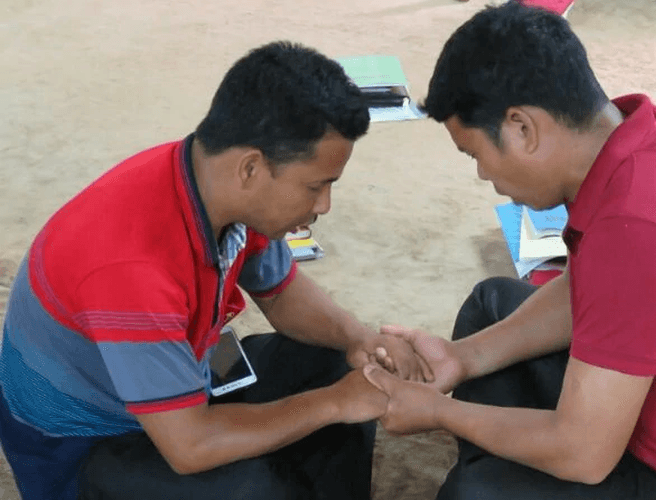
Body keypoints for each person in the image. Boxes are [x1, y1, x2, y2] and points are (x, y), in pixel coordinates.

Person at [363, 3, 656, 499]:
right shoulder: (640, 136)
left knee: (479, 492)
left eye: (476, 154)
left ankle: (504, 472)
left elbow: (582, 454)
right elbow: (595, 290)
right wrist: (460, 358)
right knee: (491, 305)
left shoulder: (640, 224)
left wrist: (441, 412)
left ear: (522, 128)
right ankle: (510, 464)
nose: (482, 175)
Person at [0, 41, 428, 500]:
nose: (323, 206)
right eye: (315, 186)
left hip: (185, 371)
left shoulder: (207, 177)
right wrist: (333, 402)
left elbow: (281, 294)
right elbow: (190, 446)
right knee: (255, 488)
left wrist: (360, 339)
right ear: (251, 168)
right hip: (89, 443)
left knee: (334, 363)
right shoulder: (131, 268)